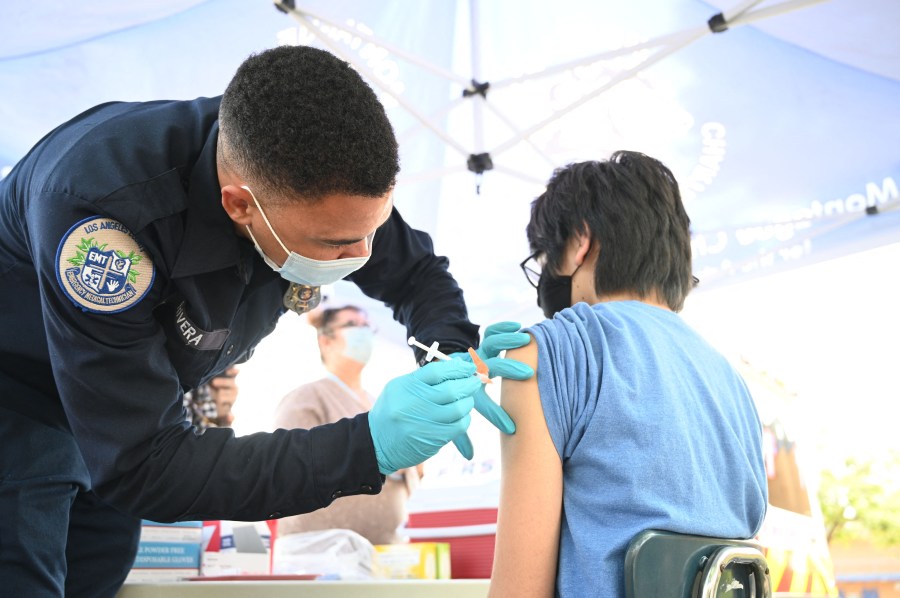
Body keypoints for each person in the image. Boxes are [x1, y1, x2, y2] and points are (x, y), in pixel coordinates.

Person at [0, 44, 532, 597]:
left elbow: (415, 275)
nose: (362, 253)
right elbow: (146, 463)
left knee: (98, 568)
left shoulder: (315, 172)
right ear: (239, 206)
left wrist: (444, 354)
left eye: (368, 230)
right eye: (334, 244)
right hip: (21, 401)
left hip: (128, 410)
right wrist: (366, 446)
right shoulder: (102, 215)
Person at [488, 152, 768, 597]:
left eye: (543, 256)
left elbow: (519, 590)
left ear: (579, 240)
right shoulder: (730, 381)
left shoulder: (549, 351)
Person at [273, 305, 419, 547]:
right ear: (325, 341)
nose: (362, 332)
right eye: (352, 325)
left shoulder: (380, 404)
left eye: (366, 326)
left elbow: (408, 473)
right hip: (320, 553)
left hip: (383, 552)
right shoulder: (307, 398)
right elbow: (293, 467)